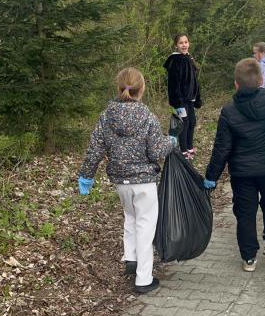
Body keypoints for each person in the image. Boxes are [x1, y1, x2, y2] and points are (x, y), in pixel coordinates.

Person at [78, 67, 176, 294]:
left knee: (130, 217)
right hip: (144, 182)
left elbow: (95, 149)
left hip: (121, 182)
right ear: (142, 89)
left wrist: (86, 176)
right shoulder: (148, 117)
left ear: (119, 87)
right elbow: (156, 151)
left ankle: (131, 258)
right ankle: (143, 278)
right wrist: (172, 142)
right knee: (145, 225)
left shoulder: (106, 116)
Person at [203, 58, 265, 272]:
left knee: (245, 212)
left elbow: (222, 148)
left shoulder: (229, 111)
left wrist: (211, 176)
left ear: (236, 84)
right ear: (261, 80)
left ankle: (249, 258)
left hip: (242, 172)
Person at [164, 33, 202, 160]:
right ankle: (183, 150)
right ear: (176, 45)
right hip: (180, 99)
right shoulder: (175, 60)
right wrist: (177, 102)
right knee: (184, 123)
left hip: (190, 98)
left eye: (186, 42)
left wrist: (197, 97)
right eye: (181, 43)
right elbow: (173, 84)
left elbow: (195, 80)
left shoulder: (189, 58)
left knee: (192, 121)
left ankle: (190, 147)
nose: (184, 45)